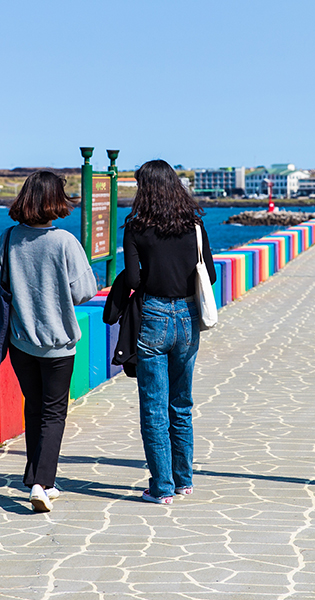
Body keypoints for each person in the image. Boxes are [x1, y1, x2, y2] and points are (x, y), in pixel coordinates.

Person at [0, 171, 97, 513]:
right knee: (54, 413)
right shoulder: (64, 241)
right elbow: (85, 291)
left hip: (21, 341)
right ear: (55, 200)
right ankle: (41, 483)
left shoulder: (7, 239)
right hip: (59, 343)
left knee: (34, 408)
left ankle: (36, 476)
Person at [122, 159, 217, 505]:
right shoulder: (193, 225)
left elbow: (133, 280)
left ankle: (161, 488)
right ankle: (184, 480)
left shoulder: (135, 227)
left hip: (154, 316)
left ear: (144, 189)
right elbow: (211, 275)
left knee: (153, 406)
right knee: (181, 403)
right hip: (188, 318)